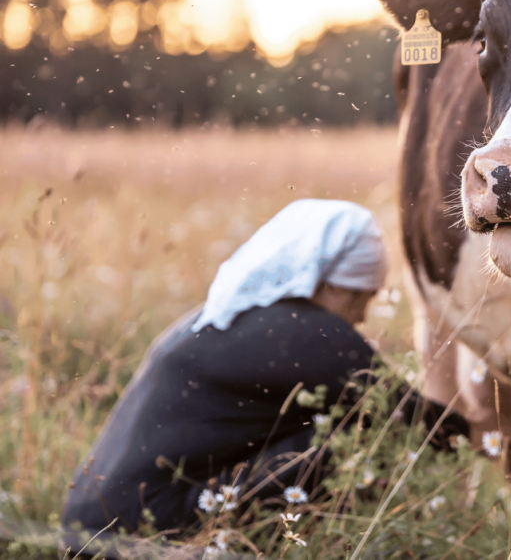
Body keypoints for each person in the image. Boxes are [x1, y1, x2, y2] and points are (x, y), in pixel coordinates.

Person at [61, 199, 466, 547]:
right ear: (334, 285)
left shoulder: (225, 316)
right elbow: (415, 420)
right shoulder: (311, 333)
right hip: (147, 534)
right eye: (363, 298)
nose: (361, 317)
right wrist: (483, 425)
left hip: (87, 527)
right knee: (356, 429)